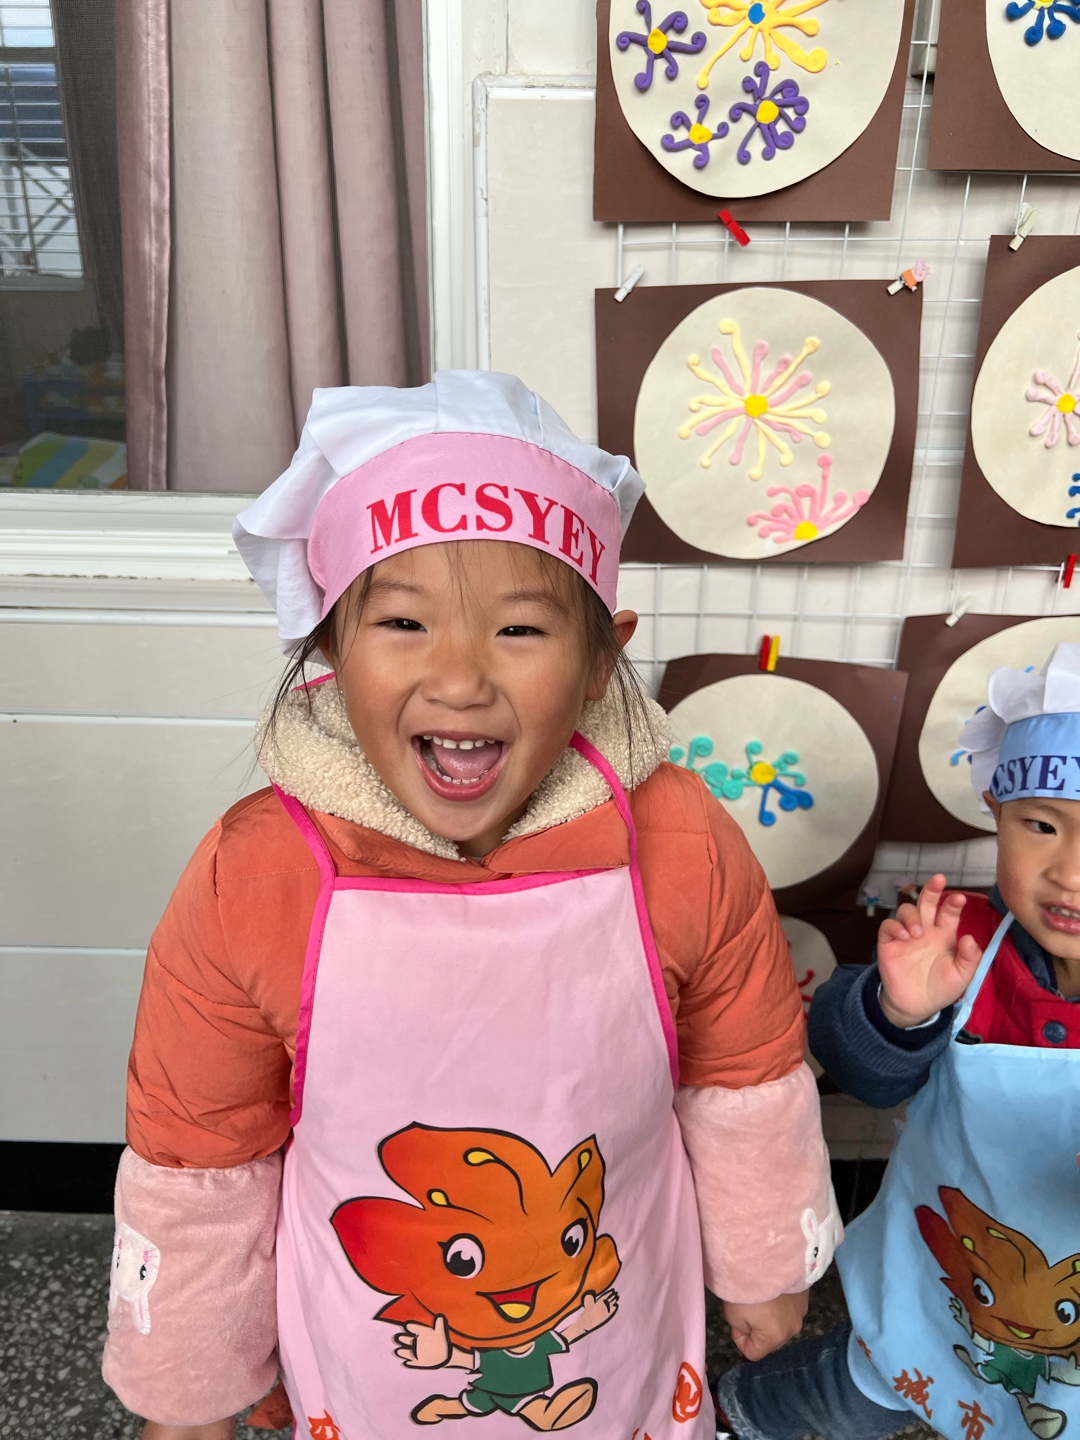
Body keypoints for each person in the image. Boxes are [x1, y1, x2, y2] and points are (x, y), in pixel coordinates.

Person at [100, 371, 838, 1440]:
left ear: (602, 660)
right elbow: (202, 1151)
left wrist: (766, 1264)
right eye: (403, 621)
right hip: (379, 1345)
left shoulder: (677, 839)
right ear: (329, 649)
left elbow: (743, 1071)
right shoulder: (256, 873)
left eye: (520, 631)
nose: (458, 680)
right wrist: (191, 1383)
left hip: (611, 1313)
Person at [715, 643, 1080, 1440]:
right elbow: (861, 1074)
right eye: (1042, 826)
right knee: (844, 1395)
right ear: (997, 815)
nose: (1071, 873)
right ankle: (727, 1415)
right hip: (941, 1286)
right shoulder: (961, 939)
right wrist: (897, 1013)